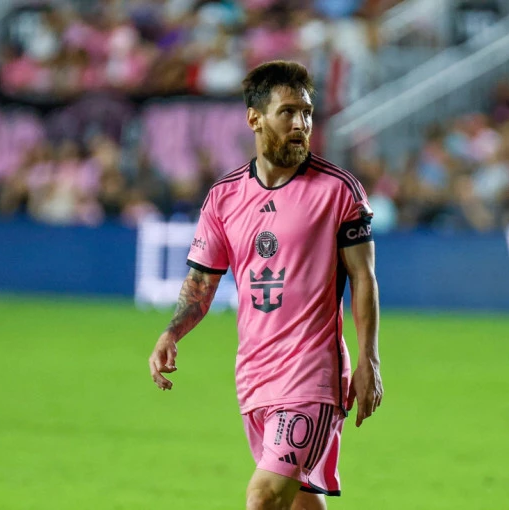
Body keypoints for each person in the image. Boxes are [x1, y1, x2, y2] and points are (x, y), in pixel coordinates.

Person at [147, 60, 383, 510]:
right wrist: (172, 332)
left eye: (307, 113)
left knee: (263, 496)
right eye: (288, 112)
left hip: (313, 375)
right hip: (254, 375)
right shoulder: (224, 197)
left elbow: (363, 277)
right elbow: (201, 281)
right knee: (299, 503)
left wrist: (368, 358)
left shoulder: (339, 190)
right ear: (255, 118)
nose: (301, 124)